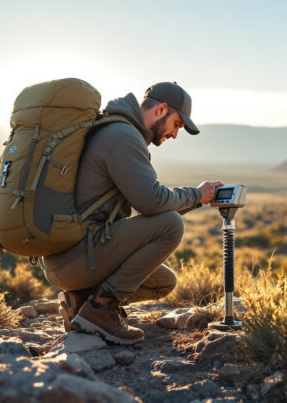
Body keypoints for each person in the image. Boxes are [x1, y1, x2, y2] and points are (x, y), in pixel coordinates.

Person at [42, 81, 223, 344]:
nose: (175, 135)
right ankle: (100, 310)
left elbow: (150, 205)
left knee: (162, 281)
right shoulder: (122, 137)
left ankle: (80, 302)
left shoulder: (115, 130)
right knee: (171, 225)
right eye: (177, 125)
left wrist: (197, 200)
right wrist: (197, 194)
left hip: (69, 257)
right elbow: (152, 203)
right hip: (76, 259)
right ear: (161, 109)